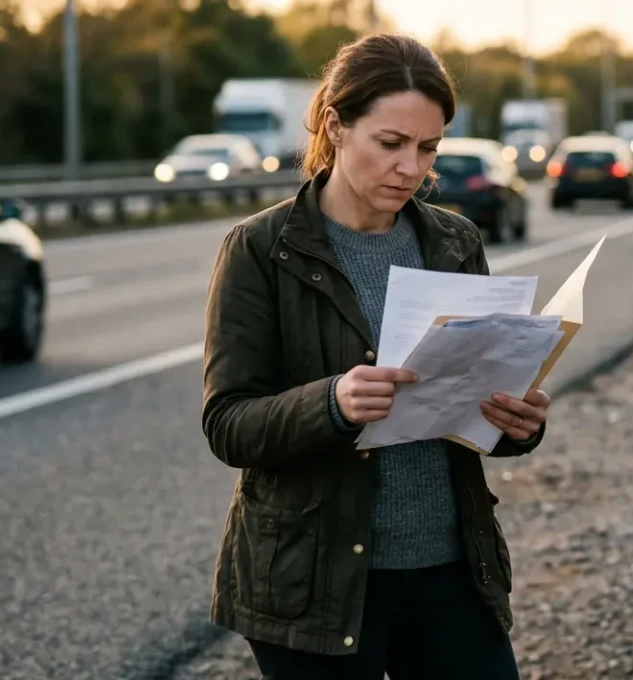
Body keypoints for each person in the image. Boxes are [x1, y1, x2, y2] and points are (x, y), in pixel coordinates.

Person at [199, 32, 550, 680]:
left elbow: (474, 410)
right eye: (391, 144)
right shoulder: (259, 249)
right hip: (313, 585)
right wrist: (331, 403)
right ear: (336, 124)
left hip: (450, 572)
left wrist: (517, 424)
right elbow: (228, 423)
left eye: (428, 148)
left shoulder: (455, 240)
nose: (411, 168)